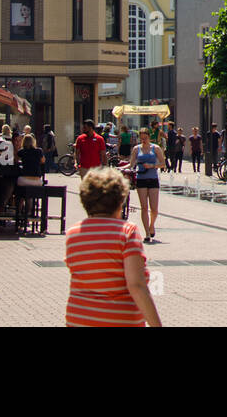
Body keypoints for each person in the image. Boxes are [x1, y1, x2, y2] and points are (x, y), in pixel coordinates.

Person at [65, 167, 162, 327]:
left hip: (79, 319)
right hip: (119, 321)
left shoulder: (73, 234)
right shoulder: (126, 232)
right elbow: (136, 285)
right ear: (120, 201)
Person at [126, 128, 165, 242]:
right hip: (141, 178)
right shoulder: (136, 149)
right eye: (141, 138)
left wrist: (152, 166)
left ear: (149, 137)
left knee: (154, 209)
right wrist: (121, 168)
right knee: (144, 207)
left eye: (145, 138)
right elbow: (131, 164)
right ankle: (147, 233)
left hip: (153, 179)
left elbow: (163, 164)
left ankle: (152, 225)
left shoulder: (156, 148)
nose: (143, 140)